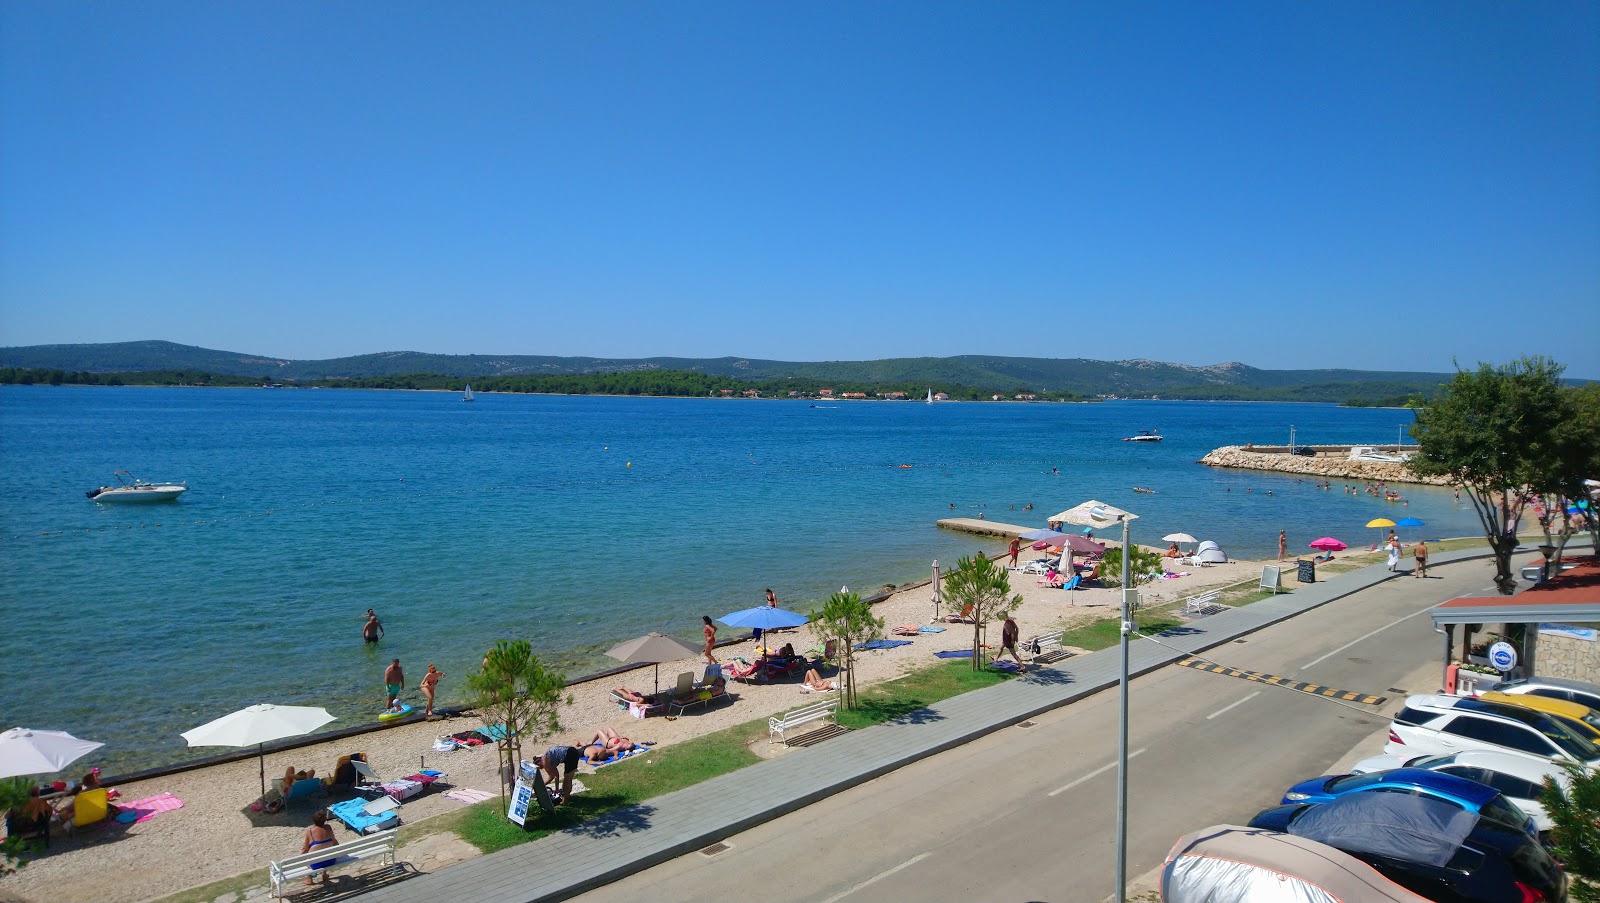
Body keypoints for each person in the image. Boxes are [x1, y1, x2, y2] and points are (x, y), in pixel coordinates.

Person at [300, 810, 339, 885]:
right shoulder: (328, 828)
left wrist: (301, 855)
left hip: (315, 865)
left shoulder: (310, 831)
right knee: (324, 850)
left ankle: (309, 879)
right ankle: (324, 874)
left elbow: (306, 848)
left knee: (308, 854)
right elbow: (334, 842)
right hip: (330, 860)